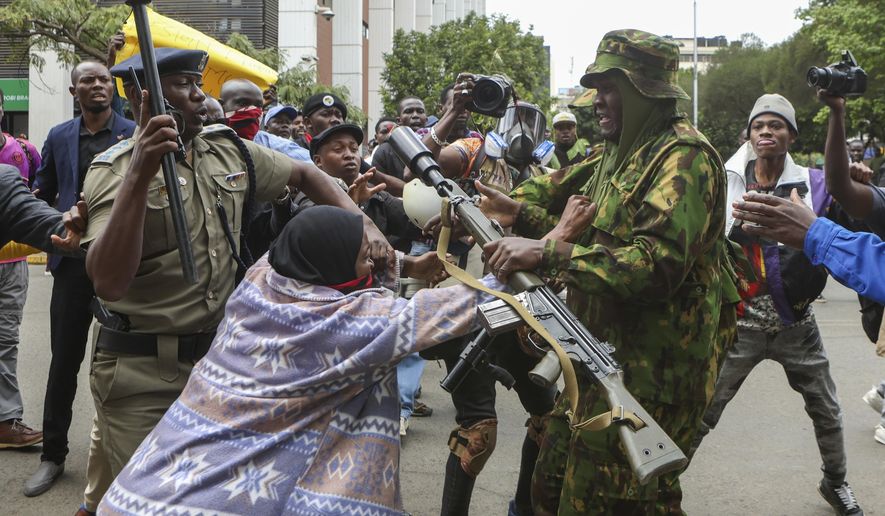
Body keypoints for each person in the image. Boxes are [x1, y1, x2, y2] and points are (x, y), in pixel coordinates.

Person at [76, 47, 390, 515]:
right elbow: (108, 281)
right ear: (144, 97)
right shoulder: (113, 171)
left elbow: (304, 173)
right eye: (184, 86)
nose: (200, 97)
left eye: (197, 84)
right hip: (143, 375)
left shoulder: (227, 148)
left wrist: (364, 224)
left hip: (224, 365)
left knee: (218, 496)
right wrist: (141, 172)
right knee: (152, 502)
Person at [472, 30, 739, 513]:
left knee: (615, 502)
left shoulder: (683, 159)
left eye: (611, 88)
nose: (599, 101)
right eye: (597, 87)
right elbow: (547, 193)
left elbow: (655, 266)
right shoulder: (614, 152)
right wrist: (505, 210)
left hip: (652, 374)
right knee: (548, 489)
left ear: (645, 93)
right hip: (595, 358)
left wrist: (548, 254)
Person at [95, 205, 505, 515]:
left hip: (139, 492)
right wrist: (542, 248)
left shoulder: (258, 284)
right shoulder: (351, 324)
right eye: (365, 257)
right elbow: (453, 307)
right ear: (333, 264)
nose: (373, 265)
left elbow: (313, 245)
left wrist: (406, 263)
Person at [691, 93, 863, 516]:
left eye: (777, 125)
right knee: (703, 409)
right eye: (759, 126)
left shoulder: (817, 184)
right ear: (748, 135)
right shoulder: (725, 178)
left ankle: (835, 483)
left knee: (826, 410)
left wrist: (855, 183)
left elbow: (850, 236)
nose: (767, 131)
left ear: (791, 135)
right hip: (740, 322)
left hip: (797, 325)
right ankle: (662, 478)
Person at [25, 59, 136, 499]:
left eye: (104, 80)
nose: (97, 85)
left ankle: (129, 457)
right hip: (72, 268)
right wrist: (54, 223)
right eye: (87, 80)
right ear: (74, 92)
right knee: (64, 362)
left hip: (123, 266)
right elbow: (44, 189)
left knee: (128, 365)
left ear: (113, 89)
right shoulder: (58, 137)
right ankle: (53, 455)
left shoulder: (133, 134)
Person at [0, 87, 43, 451]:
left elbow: (38, 201)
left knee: (5, 341)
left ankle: (5, 420)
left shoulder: (24, 152)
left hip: (11, 264)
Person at [219, 79, 310, 161]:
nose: (253, 111)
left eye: (258, 106)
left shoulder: (272, 144)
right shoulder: (208, 141)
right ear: (221, 106)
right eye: (243, 103)